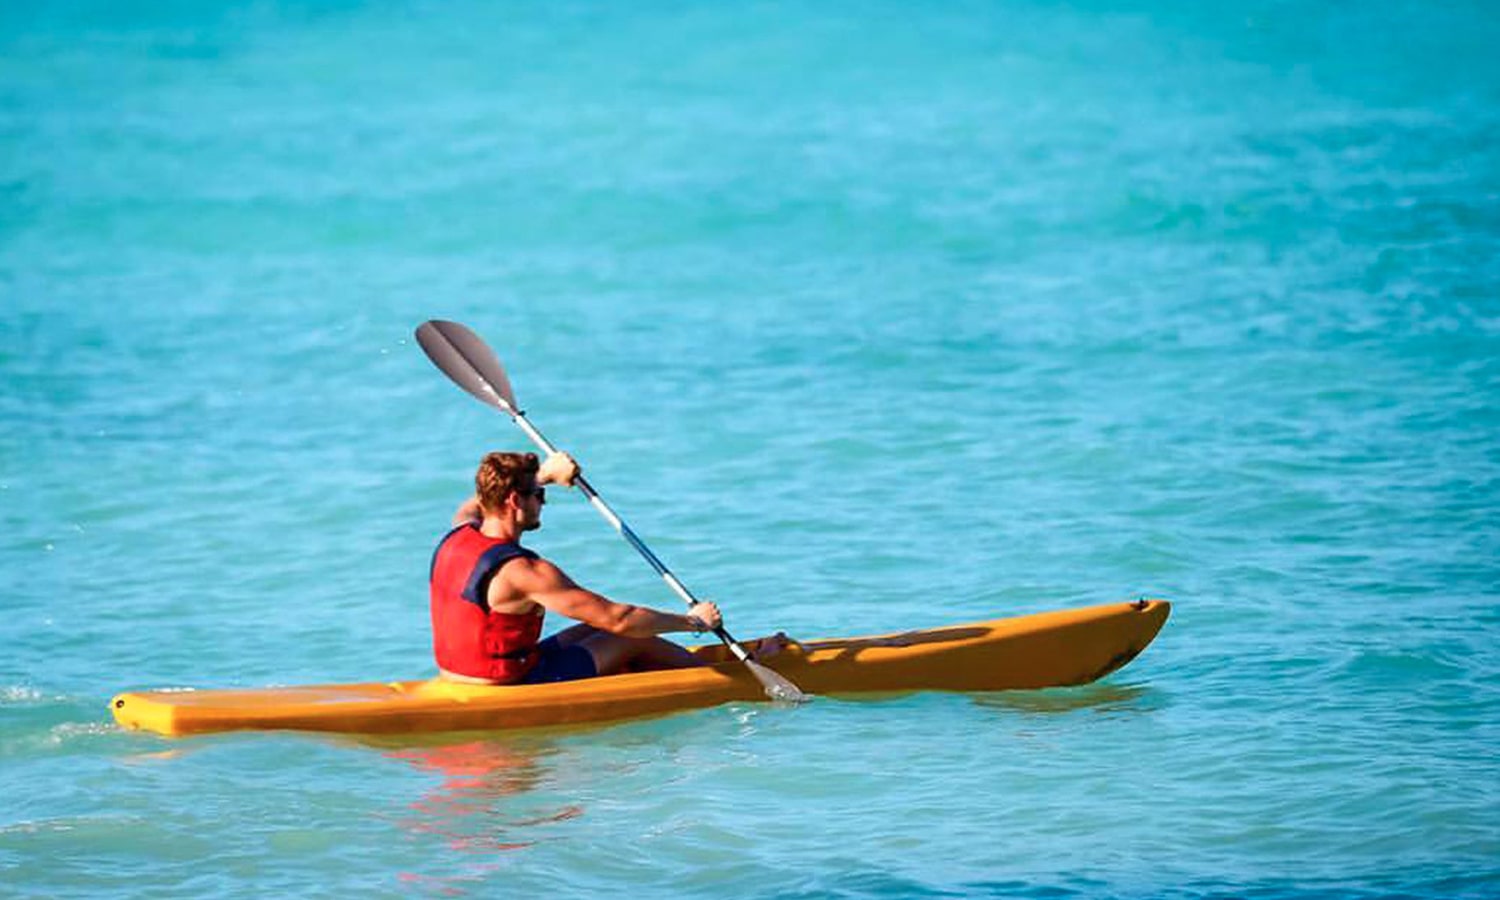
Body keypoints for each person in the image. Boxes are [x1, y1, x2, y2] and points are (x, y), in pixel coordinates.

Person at [429, 450, 731, 685]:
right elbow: (620, 619)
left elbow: (474, 505)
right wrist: (694, 623)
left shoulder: (458, 533)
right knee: (630, 636)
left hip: (460, 674)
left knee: (593, 628)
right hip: (510, 683)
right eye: (538, 494)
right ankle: (724, 680)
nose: (543, 503)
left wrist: (543, 475)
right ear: (513, 501)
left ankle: (695, 667)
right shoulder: (525, 572)